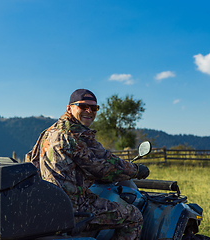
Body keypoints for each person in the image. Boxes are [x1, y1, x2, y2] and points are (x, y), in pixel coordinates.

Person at [25, 89, 149, 240]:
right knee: (134, 216)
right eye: (83, 106)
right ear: (69, 108)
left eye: (94, 108)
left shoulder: (48, 132)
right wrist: (136, 170)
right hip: (74, 209)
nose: (89, 111)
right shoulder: (76, 134)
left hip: (47, 206)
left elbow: (31, 160)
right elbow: (105, 165)